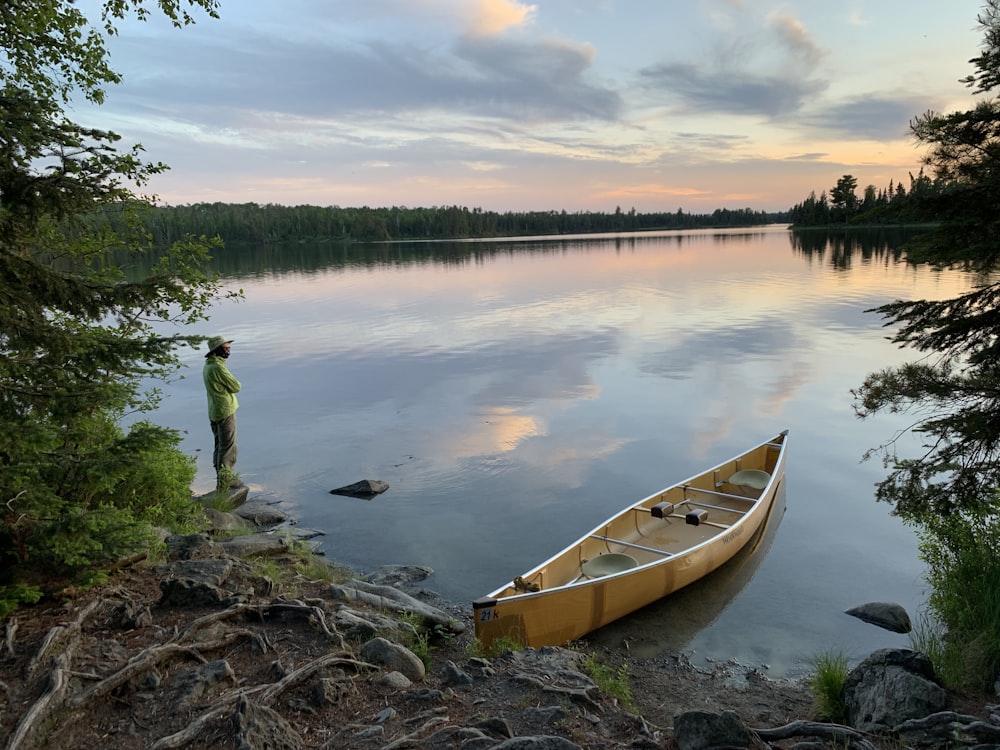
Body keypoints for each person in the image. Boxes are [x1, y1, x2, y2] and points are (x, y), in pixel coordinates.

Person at [203, 335, 243, 492]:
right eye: (226, 348)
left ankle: (224, 479)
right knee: (228, 448)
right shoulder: (218, 368)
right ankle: (224, 483)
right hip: (225, 410)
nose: (229, 352)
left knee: (219, 446)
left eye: (229, 348)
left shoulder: (208, 365)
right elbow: (236, 386)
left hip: (214, 411)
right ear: (217, 350)